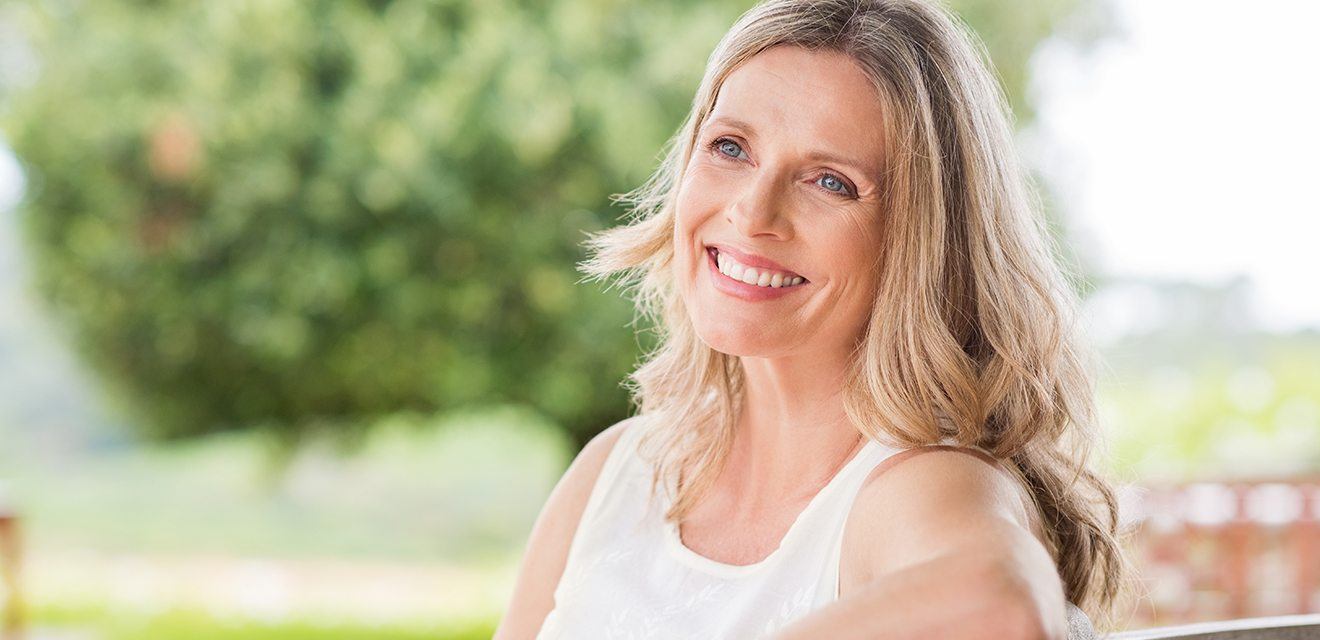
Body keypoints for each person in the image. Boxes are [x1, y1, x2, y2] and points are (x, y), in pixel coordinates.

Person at [495, 0, 1132, 638]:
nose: (752, 212)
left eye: (830, 182)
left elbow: (1004, 611)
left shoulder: (917, 486)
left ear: (921, 238)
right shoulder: (616, 470)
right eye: (730, 147)